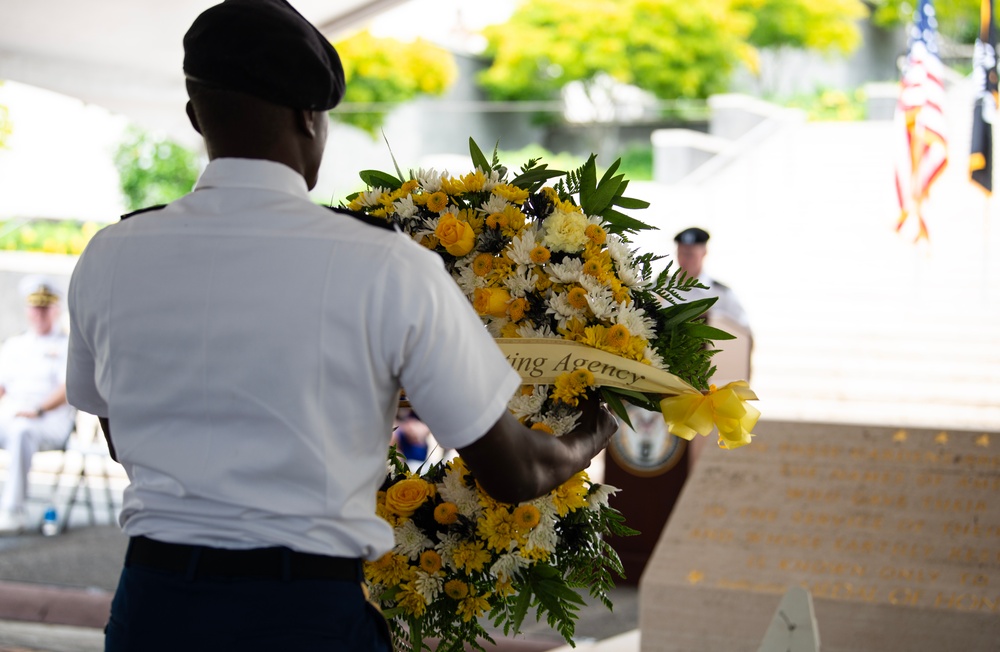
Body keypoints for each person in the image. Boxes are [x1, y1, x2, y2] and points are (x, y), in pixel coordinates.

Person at [65, 1, 617, 650]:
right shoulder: (386, 265)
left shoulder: (111, 254)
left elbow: (119, 433)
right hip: (300, 615)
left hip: (153, 611)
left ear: (196, 116)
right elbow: (515, 472)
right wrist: (594, 431)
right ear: (309, 116)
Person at [0, 275, 75, 534]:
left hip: (48, 419)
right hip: (12, 414)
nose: (40, 313)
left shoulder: (68, 346)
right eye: (36, 307)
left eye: (46, 307)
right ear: (28, 310)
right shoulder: (15, 345)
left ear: (56, 309)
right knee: (17, 425)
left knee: (22, 429)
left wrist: (38, 409)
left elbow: (68, 388)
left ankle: (13, 509)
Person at [674, 227, 752, 335]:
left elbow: (744, 334)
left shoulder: (722, 294)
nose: (684, 259)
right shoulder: (661, 288)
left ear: (704, 253)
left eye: (690, 254)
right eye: (681, 253)